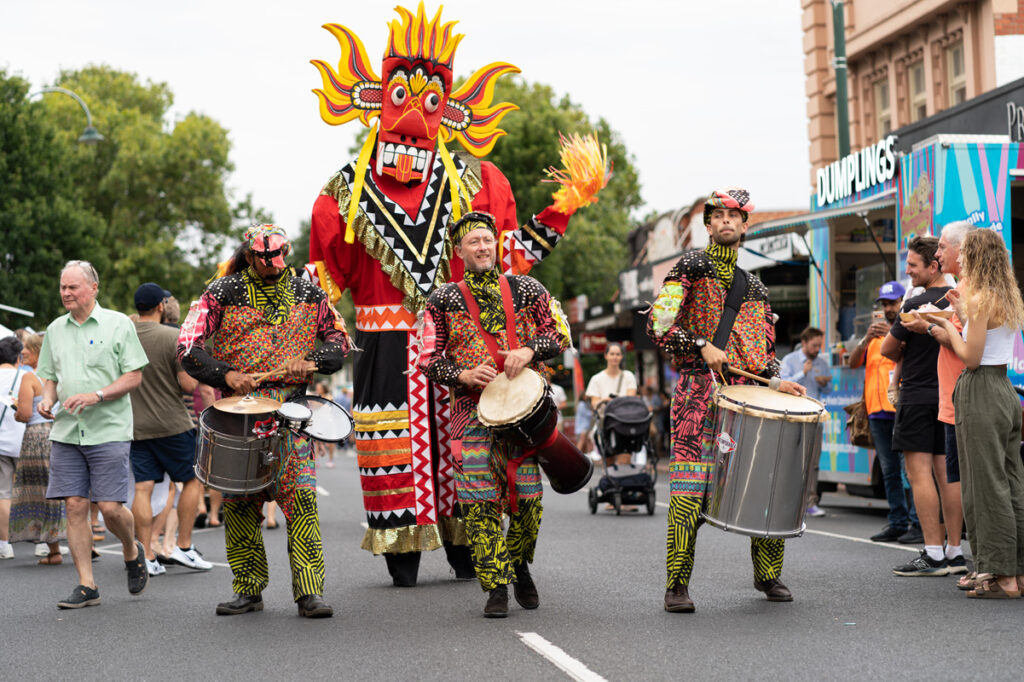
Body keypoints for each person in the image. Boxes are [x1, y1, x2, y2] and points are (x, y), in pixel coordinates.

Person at [309, 4, 605, 587]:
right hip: (385, 342)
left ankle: (469, 543)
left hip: (464, 340)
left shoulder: (477, 180)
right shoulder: (344, 191)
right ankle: (402, 550)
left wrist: (561, 209)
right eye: (401, 95)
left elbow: (508, 260)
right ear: (374, 98)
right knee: (392, 440)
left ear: (451, 109)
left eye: (432, 99)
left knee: (466, 443)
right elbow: (327, 279)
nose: (416, 110)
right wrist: (281, 313)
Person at [178, 225, 349, 618]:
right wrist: (225, 375)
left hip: (292, 414)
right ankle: (248, 589)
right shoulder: (221, 292)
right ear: (250, 256)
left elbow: (339, 341)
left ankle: (309, 592)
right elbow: (187, 347)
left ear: (286, 251)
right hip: (241, 414)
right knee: (239, 503)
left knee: (303, 499)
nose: (272, 267)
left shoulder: (310, 292)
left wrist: (314, 361)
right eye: (263, 259)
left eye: (278, 258)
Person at [647, 187, 806, 613]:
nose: (726, 222)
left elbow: (765, 355)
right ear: (707, 223)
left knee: (765, 483)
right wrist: (700, 343)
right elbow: (658, 324)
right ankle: (676, 586)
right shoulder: (690, 267)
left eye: (734, 217)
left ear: (745, 225)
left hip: (749, 397)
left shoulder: (756, 286)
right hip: (697, 396)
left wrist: (779, 382)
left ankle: (768, 575)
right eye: (717, 216)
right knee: (686, 492)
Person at [418, 212, 569, 617]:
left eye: (487, 239)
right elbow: (426, 359)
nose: (482, 247)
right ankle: (496, 585)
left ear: (496, 244)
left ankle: (518, 563)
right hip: (470, 413)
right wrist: (463, 373)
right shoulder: (442, 299)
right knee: (480, 503)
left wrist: (529, 350)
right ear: (459, 252)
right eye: (473, 242)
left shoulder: (526, 287)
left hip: (524, 412)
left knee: (531, 501)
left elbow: (560, 332)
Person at [36, 260, 150, 609]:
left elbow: (134, 377)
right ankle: (87, 584)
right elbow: (50, 376)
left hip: (109, 429)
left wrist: (96, 395)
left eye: (73, 287)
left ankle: (132, 550)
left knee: (111, 508)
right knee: (74, 505)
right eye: (63, 287)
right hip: (67, 431)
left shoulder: (118, 324)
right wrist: (47, 398)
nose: (66, 293)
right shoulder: (55, 329)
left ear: (93, 288)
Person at [925, 228, 1024, 598]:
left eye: (965, 252)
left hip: (981, 388)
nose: (960, 258)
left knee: (986, 486)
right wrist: (961, 314)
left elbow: (971, 356)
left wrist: (947, 332)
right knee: (1012, 481)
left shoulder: (982, 298)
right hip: (1004, 389)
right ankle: (1016, 571)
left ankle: (999, 576)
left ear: (978, 256)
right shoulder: (1004, 295)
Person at [880, 235, 964, 576]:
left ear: (934, 265)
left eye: (914, 265)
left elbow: (887, 349)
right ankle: (955, 552)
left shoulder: (915, 304)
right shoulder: (958, 300)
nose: (909, 272)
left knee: (920, 475)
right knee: (949, 477)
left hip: (916, 395)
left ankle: (932, 554)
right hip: (949, 395)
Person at [128, 282, 211, 577]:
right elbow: (189, 385)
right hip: (173, 424)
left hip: (136, 425)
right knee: (191, 481)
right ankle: (184, 547)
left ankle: (146, 554)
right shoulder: (173, 336)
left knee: (143, 487)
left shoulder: (123, 336)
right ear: (161, 306)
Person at [848, 281, 919, 543]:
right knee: (889, 471)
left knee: (910, 471)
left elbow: (912, 357)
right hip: (877, 413)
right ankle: (898, 522)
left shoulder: (908, 327)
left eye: (893, 303)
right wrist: (866, 339)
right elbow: (852, 362)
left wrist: (892, 331)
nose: (889, 308)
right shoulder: (873, 337)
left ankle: (917, 524)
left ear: (902, 302)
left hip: (902, 408)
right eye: (885, 304)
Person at [8, 333, 68, 564]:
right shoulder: (60, 376)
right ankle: (83, 541)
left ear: (36, 352)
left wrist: (16, 409)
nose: (23, 354)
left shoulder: (30, 378)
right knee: (65, 489)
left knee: (42, 491)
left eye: (26, 350)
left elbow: (24, 414)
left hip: (37, 437)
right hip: (61, 433)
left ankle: (53, 549)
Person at [779, 326, 832, 517]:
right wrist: (802, 373)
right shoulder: (789, 360)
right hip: (793, 417)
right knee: (789, 460)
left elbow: (828, 390)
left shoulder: (822, 363)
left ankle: (810, 503)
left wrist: (825, 383)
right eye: (814, 345)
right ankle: (785, 501)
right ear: (803, 343)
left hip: (814, 418)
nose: (817, 349)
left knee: (812, 463)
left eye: (819, 345)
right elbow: (782, 385)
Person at [0, 335, 29, 560]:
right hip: (24, 440)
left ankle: (5, 544)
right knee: (33, 491)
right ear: (19, 356)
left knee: (3, 493)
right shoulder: (27, 377)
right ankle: (42, 542)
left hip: (0, 444)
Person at [586, 343, 638, 467]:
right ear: (606, 356)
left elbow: (631, 399)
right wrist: (604, 400)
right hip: (606, 424)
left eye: (618, 354)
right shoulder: (596, 379)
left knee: (624, 460)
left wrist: (614, 401)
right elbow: (594, 403)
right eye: (612, 354)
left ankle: (624, 484)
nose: (615, 357)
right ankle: (612, 484)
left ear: (621, 357)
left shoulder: (628, 376)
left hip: (625, 423)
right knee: (609, 462)